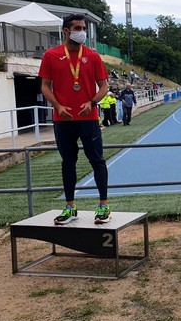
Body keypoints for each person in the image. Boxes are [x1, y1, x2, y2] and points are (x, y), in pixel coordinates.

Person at [38, 14, 111, 225]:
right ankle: (70, 207)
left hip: (88, 118)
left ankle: (103, 206)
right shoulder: (51, 56)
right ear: (66, 31)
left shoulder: (93, 56)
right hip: (63, 119)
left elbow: (104, 86)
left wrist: (92, 102)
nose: (82, 32)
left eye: (84, 28)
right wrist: (58, 106)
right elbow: (45, 85)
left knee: (97, 160)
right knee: (68, 163)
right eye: (78, 28)